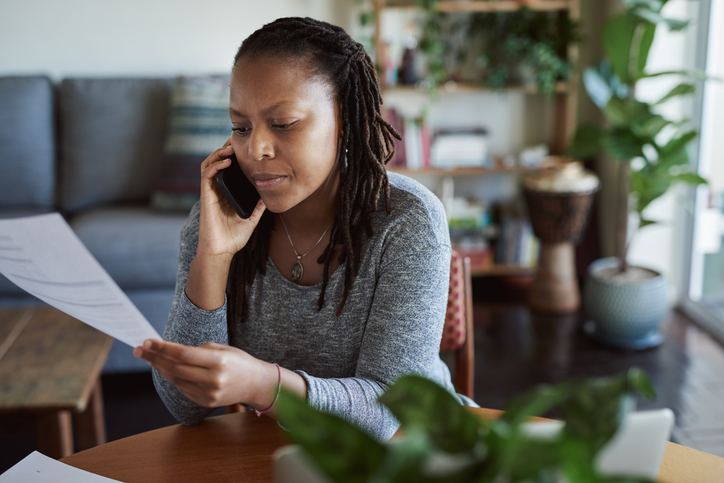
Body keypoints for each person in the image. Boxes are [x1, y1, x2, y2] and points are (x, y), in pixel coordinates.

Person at [133, 16, 475, 442]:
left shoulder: (408, 220)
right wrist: (214, 257)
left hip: (414, 449)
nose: (255, 149)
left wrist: (263, 384)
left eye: (283, 124)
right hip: (285, 450)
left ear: (345, 122)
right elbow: (183, 405)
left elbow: (390, 408)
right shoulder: (218, 220)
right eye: (241, 127)